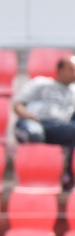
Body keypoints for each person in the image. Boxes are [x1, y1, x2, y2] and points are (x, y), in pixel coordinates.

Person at [13, 56, 75, 191]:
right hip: (31, 123)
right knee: (34, 134)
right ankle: (27, 176)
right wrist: (26, 115)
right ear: (60, 70)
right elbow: (18, 105)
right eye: (71, 70)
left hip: (57, 127)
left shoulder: (73, 91)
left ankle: (67, 177)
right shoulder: (40, 83)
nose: (73, 74)